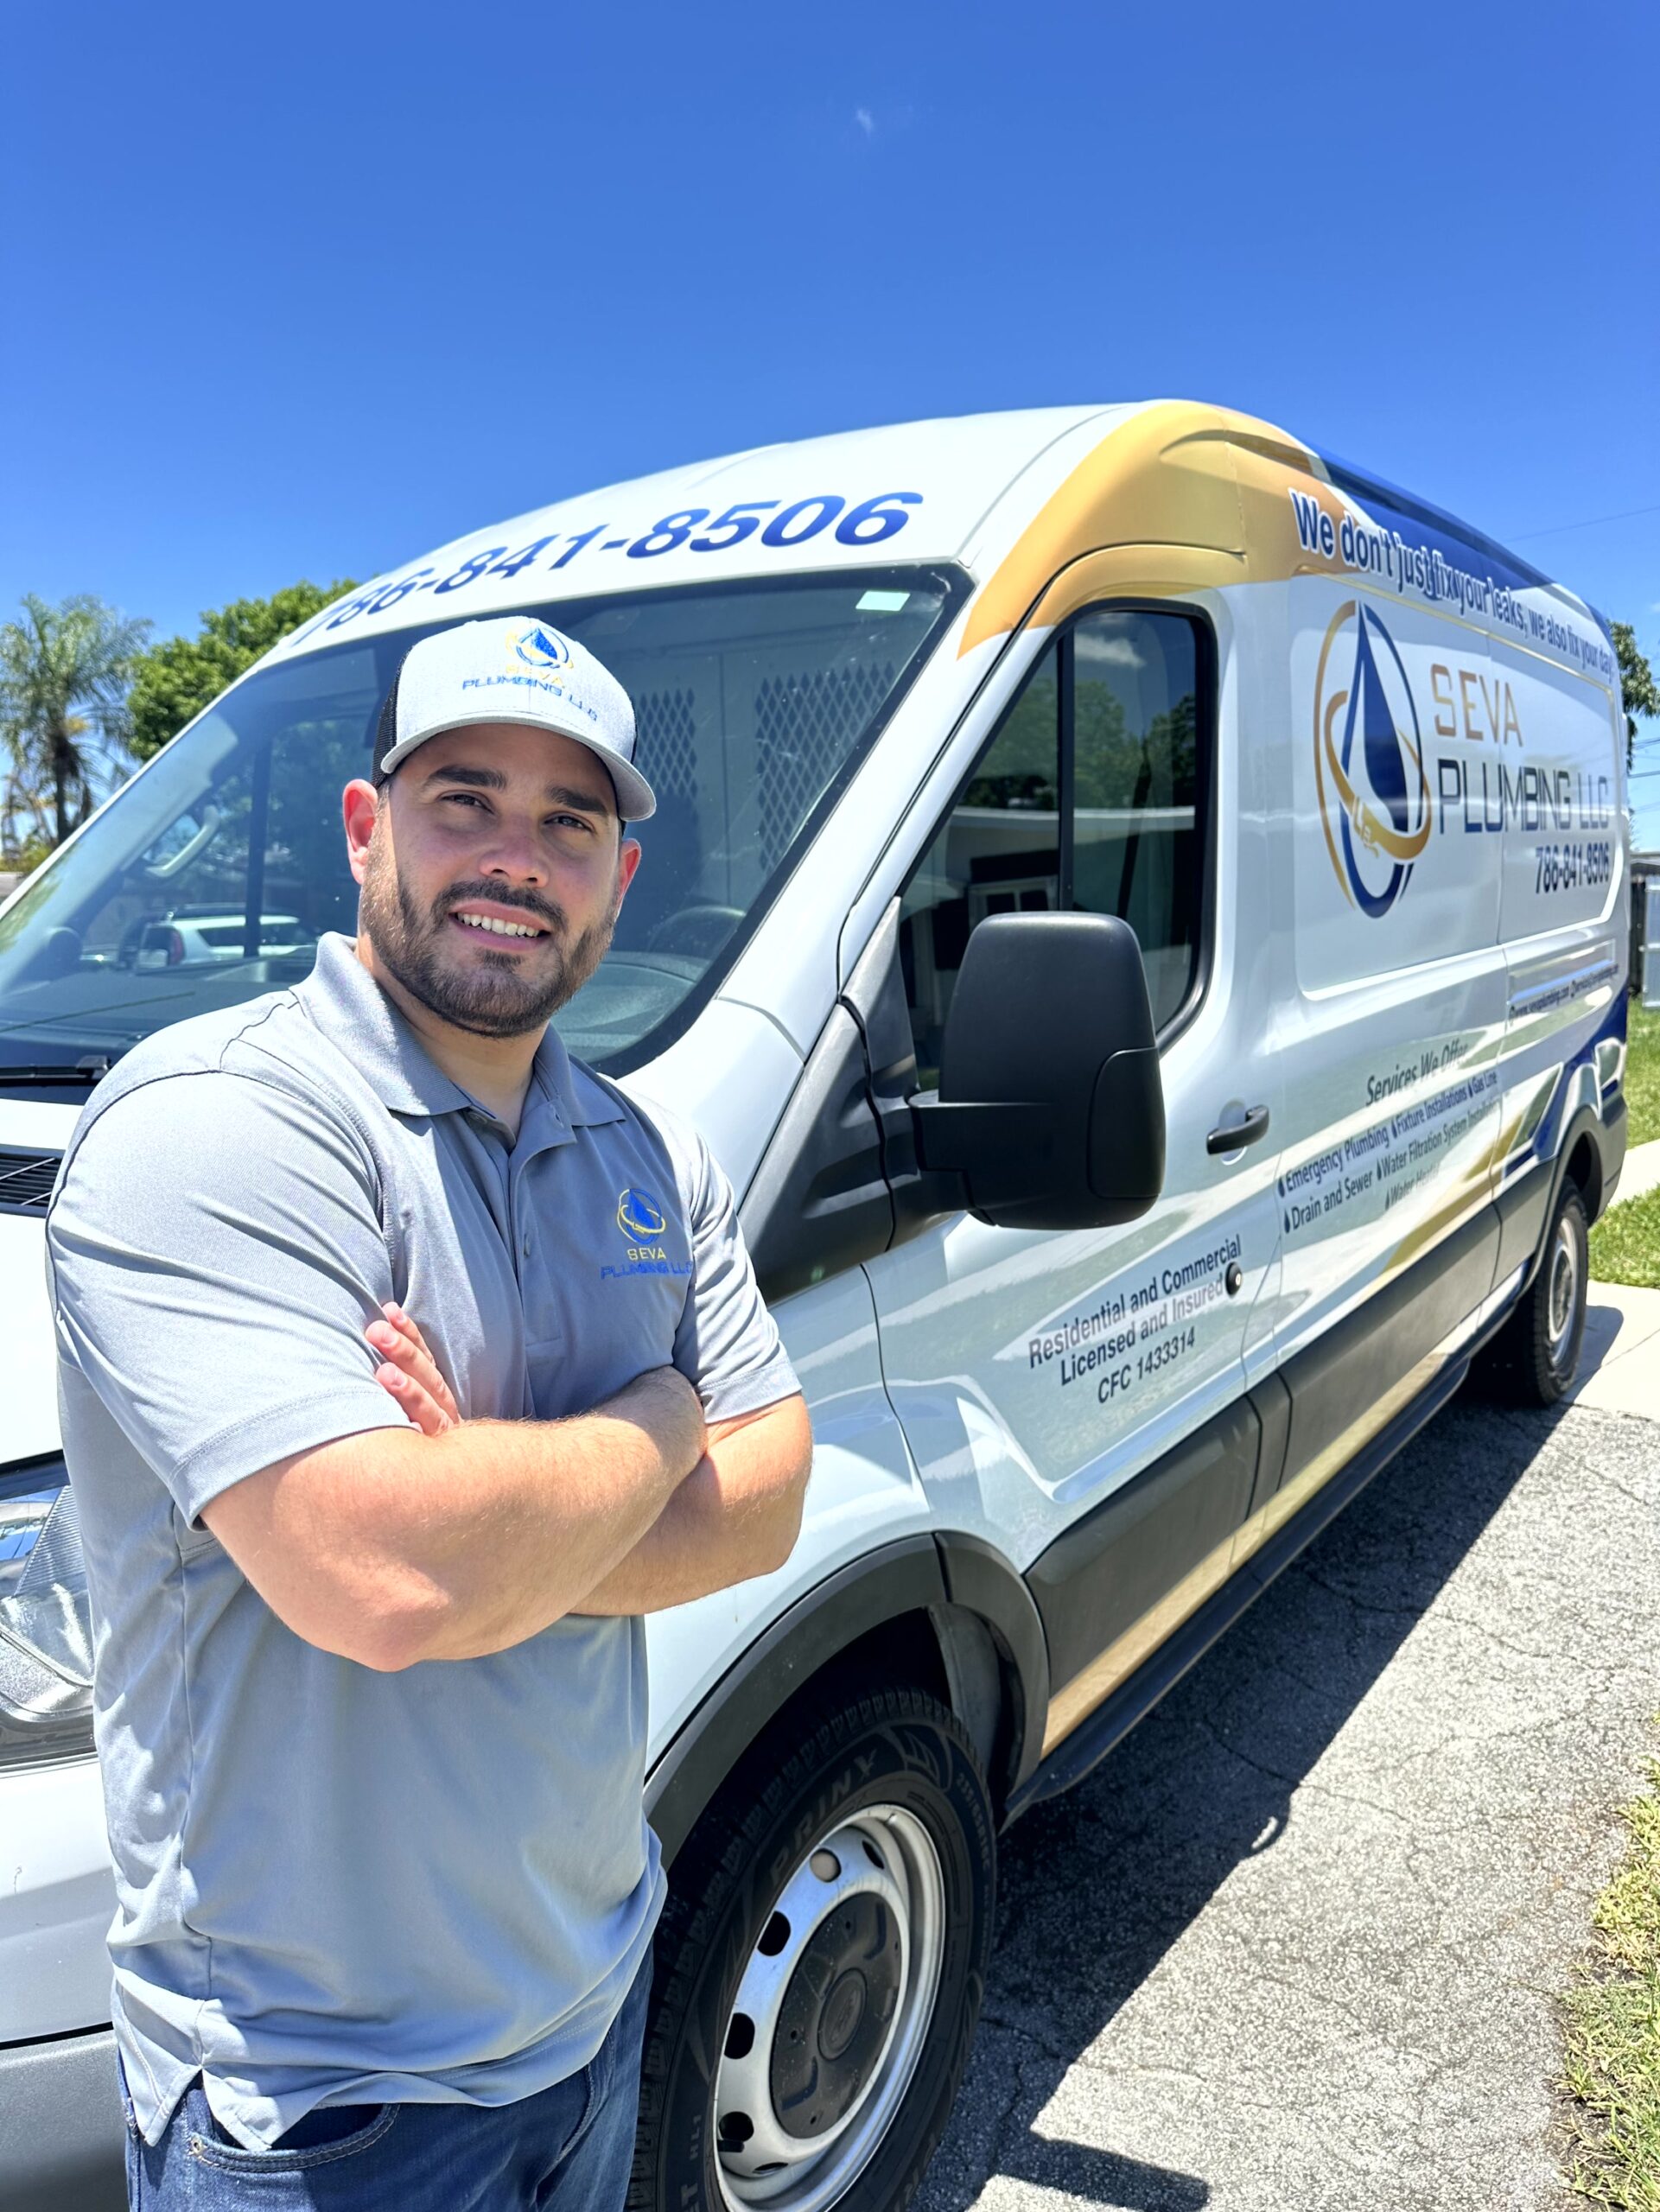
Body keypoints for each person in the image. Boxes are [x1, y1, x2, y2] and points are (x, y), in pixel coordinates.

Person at [45, 613, 814, 2211]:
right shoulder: (219, 1124)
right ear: (363, 827)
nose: (513, 857)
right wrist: (662, 1417)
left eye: (569, 821)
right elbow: (391, 1582)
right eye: (465, 798)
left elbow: (774, 1499)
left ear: (617, 878)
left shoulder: (648, 1154)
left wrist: (490, 1509)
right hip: (314, 2106)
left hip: (589, 2012)